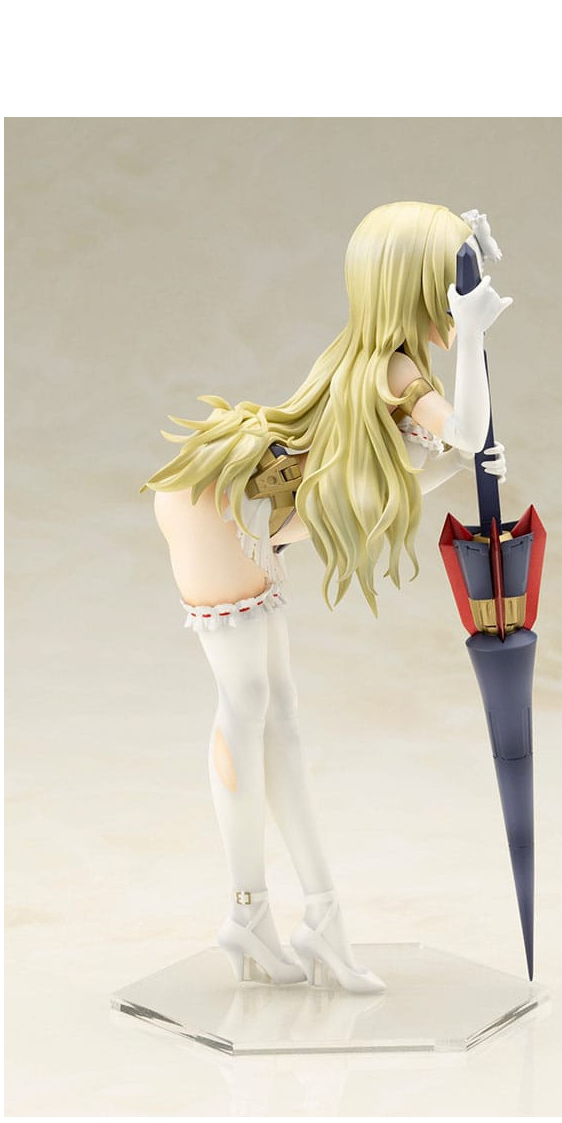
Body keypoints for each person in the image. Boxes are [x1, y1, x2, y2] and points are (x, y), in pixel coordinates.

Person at [144, 201, 512, 992]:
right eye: (453, 282)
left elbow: (396, 471)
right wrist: (477, 334)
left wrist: (456, 462)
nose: (463, 296)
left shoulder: (377, 365)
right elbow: (467, 430)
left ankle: (313, 918)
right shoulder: (395, 371)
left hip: (238, 513)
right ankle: (254, 910)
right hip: (220, 506)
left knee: (277, 712)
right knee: (249, 706)